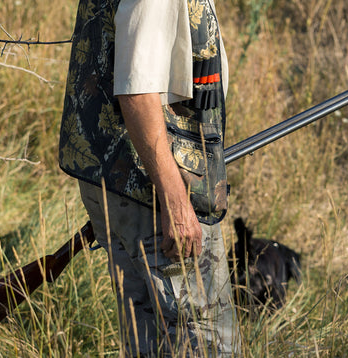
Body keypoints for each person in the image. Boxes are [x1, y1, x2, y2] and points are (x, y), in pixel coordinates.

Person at [59, 0, 240, 356]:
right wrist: (175, 201)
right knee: (209, 342)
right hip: (151, 190)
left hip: (113, 179)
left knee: (147, 342)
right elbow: (137, 92)